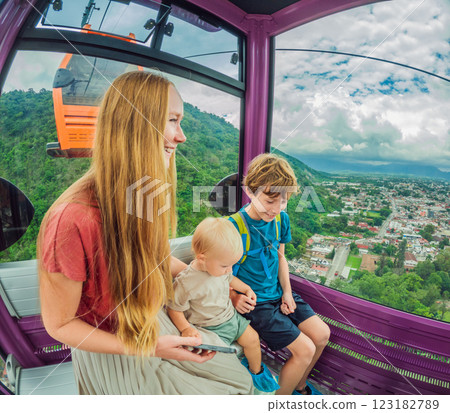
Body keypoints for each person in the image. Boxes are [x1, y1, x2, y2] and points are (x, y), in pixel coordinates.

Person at [37, 71, 253, 395]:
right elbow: (60, 325)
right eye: (172, 120)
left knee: (240, 380)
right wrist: (150, 348)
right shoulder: (70, 221)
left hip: (153, 323)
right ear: (135, 126)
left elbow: (155, 258)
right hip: (118, 347)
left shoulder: (141, 196)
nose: (181, 137)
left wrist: (222, 286)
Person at [229, 153, 330, 396]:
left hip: (277, 292)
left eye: (283, 201)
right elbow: (220, 274)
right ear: (250, 191)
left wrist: (287, 293)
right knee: (304, 349)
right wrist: (233, 296)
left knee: (321, 334)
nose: (276, 209)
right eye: (269, 200)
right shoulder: (234, 228)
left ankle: (298, 385)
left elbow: (280, 258)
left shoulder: (280, 220)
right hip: (257, 304)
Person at [167, 217, 279, 393]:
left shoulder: (219, 267)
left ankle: (256, 372)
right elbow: (174, 308)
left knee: (253, 339)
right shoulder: (186, 282)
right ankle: (239, 374)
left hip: (231, 317)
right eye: (226, 265)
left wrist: (246, 288)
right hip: (211, 328)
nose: (230, 269)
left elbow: (231, 278)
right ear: (202, 258)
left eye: (232, 264)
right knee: (225, 361)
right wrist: (185, 328)